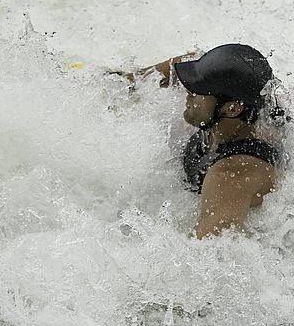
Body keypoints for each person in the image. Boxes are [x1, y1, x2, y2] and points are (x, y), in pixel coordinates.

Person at [113, 44, 282, 239]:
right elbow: (193, 59)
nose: (187, 93)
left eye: (197, 89)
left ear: (232, 109)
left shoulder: (232, 175)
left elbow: (209, 250)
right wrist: (132, 80)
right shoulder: (245, 112)